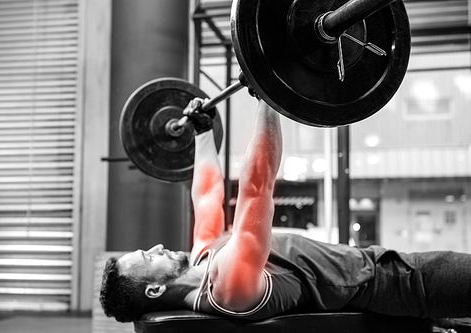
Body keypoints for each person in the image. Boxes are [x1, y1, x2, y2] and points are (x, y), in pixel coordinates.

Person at [100, 96, 471, 324]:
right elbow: (256, 189)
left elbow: (209, 196)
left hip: (386, 266)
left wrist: (202, 133)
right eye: (149, 258)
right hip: (394, 283)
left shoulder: (202, 262)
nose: (157, 247)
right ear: (153, 290)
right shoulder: (227, 290)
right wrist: (269, 97)